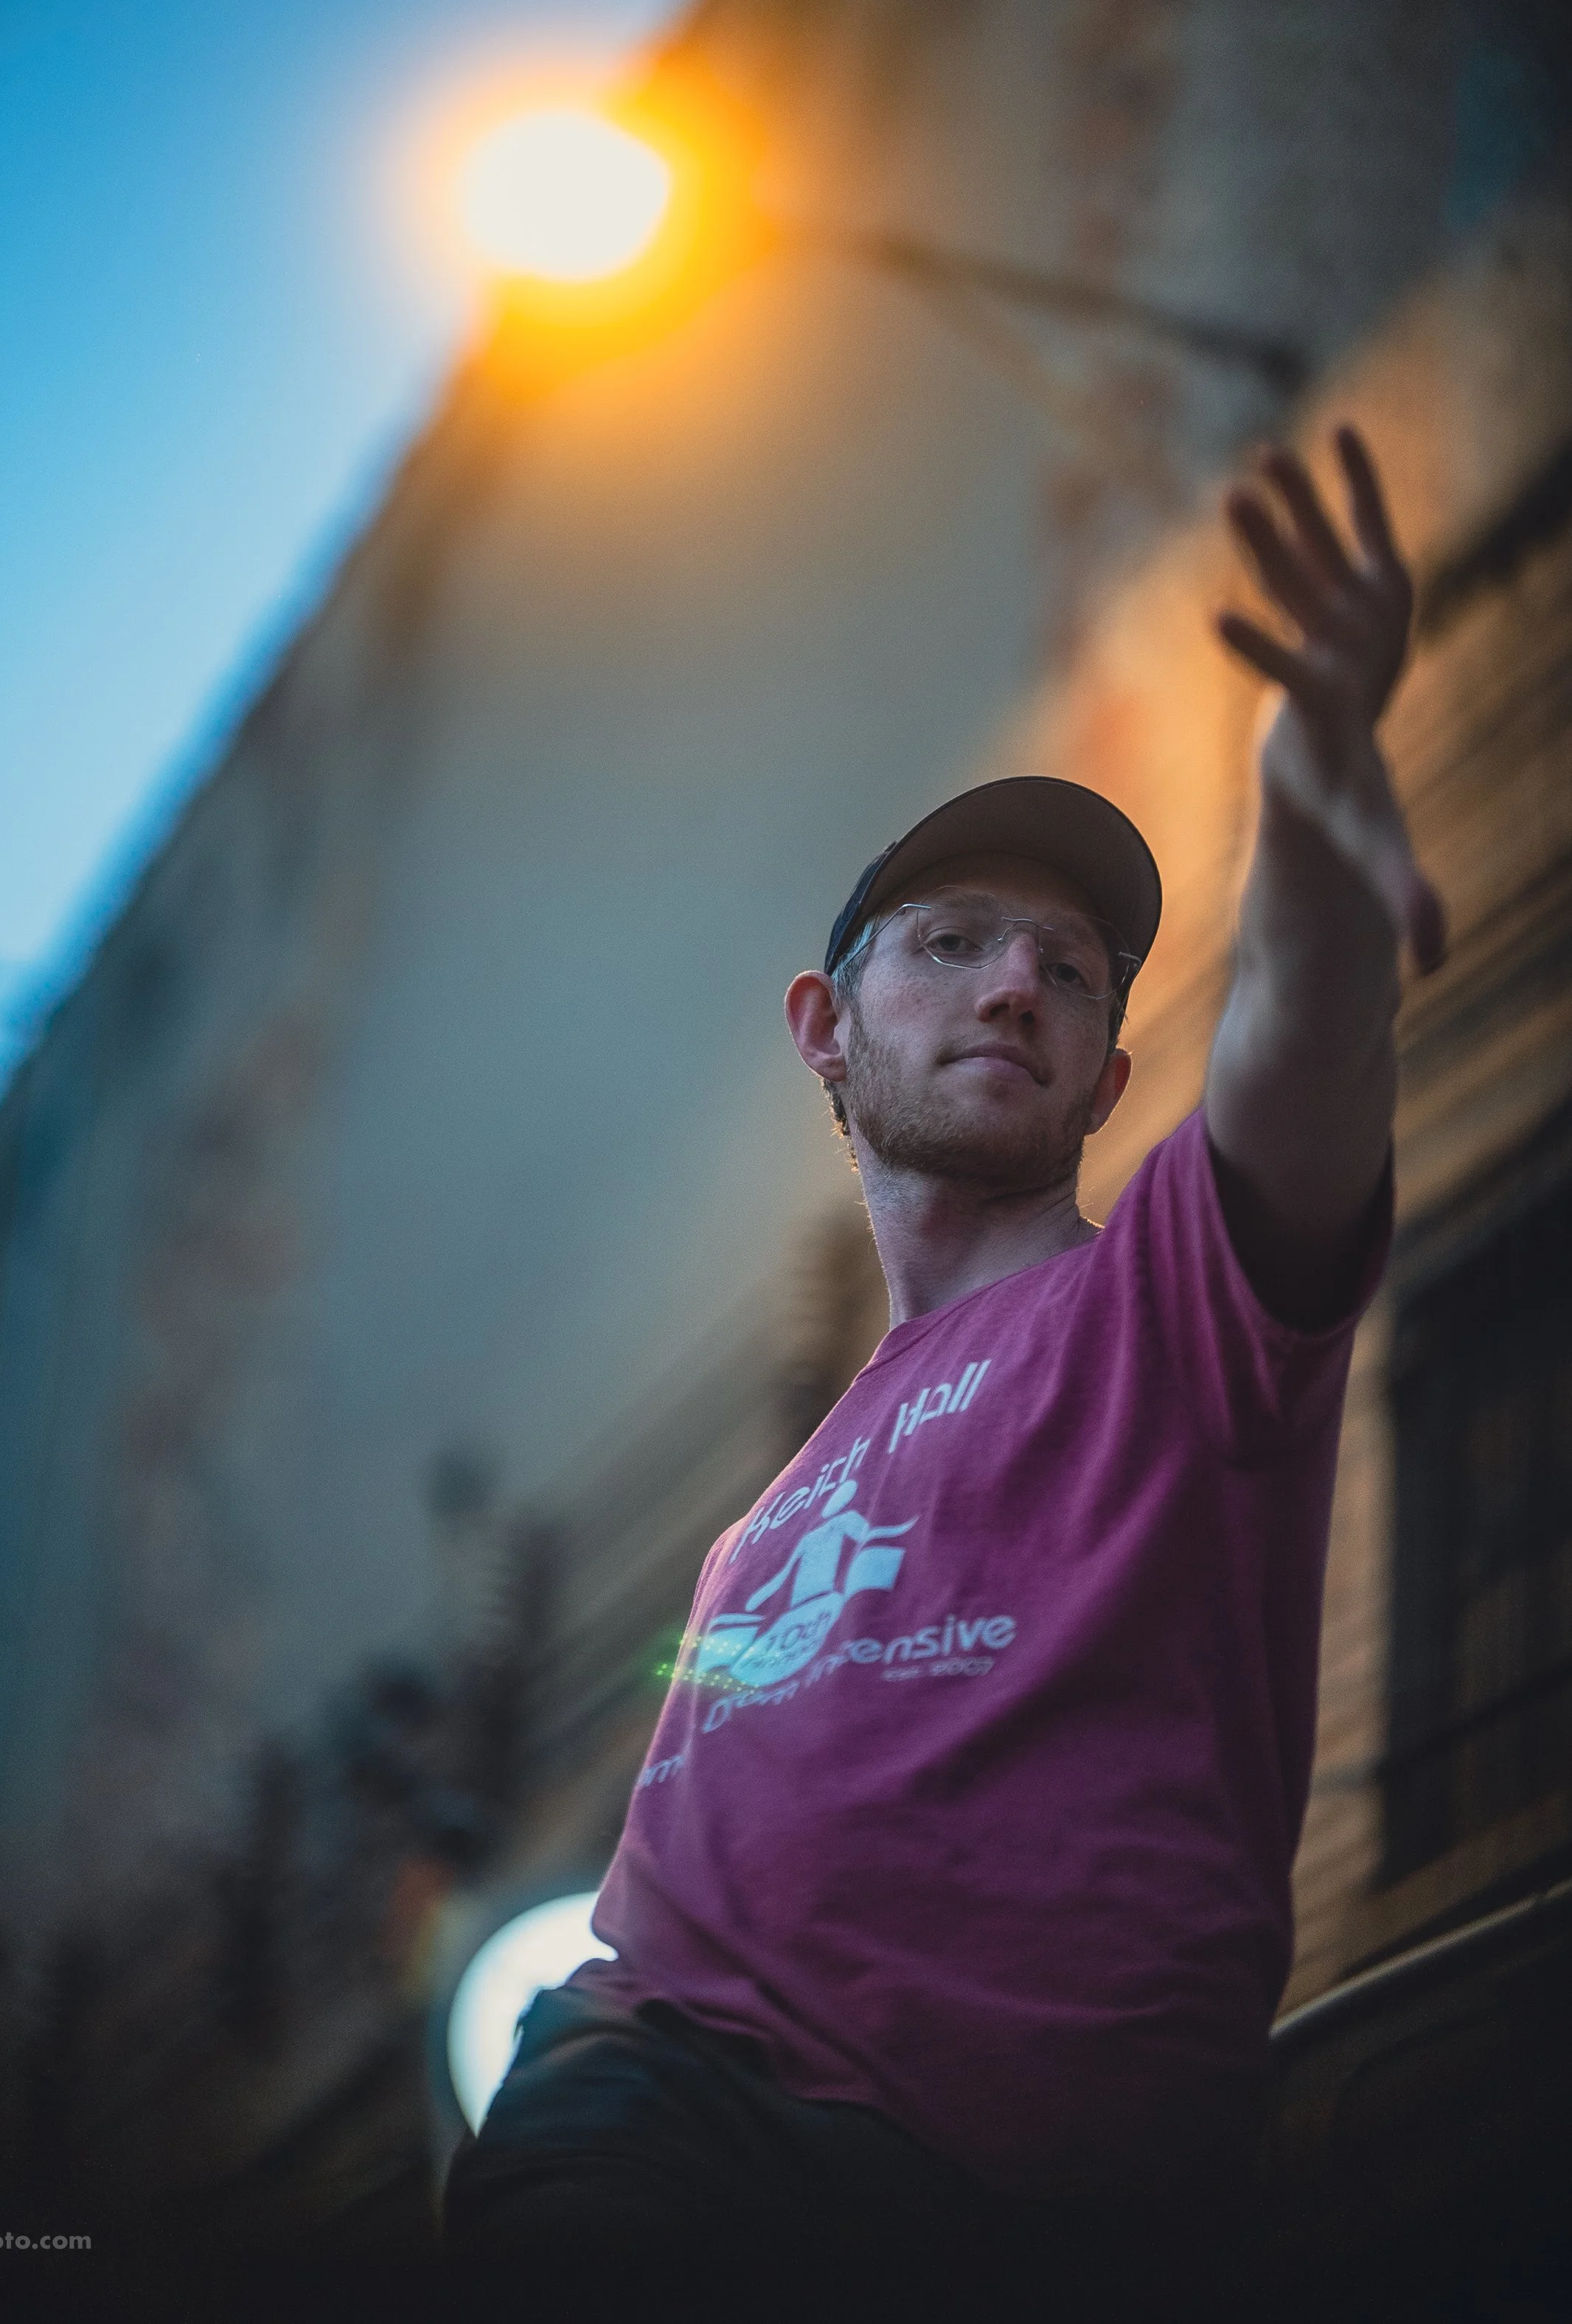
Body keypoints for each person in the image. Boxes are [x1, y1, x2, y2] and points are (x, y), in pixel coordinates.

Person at [442, 430, 1444, 2320]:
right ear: (824, 1029)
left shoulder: (1177, 1292)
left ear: (1104, 1079)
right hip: (659, 2121)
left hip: (1047, 2208)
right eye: (953, 943)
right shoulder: (756, 1527)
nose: (1013, 988)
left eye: (1068, 973)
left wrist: (1308, 804)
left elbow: (1303, 1043)